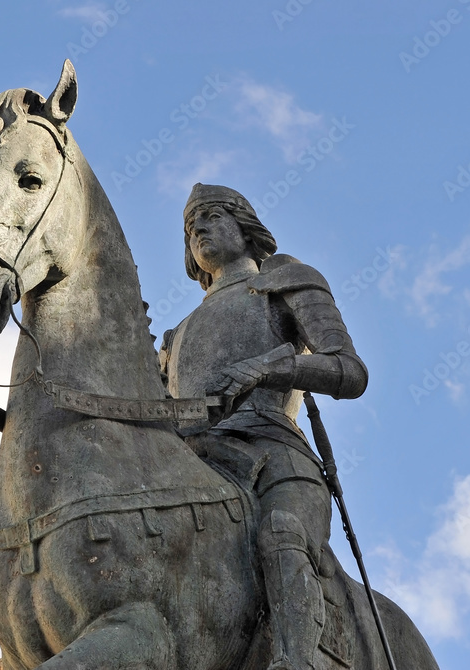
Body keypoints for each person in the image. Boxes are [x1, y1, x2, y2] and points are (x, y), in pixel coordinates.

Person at [159, 183, 368, 670]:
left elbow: (349, 371)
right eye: (191, 227)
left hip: (273, 452)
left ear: (243, 224)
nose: (200, 230)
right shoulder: (176, 335)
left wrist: (270, 369)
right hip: (194, 460)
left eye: (211, 216)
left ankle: (297, 661)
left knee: (283, 531)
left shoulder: (285, 283)